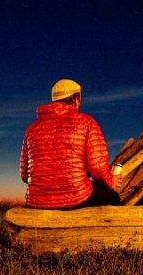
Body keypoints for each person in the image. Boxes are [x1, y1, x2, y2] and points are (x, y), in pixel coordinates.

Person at [20, 79, 121, 209]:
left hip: (36, 201)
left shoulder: (31, 128)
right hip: (76, 198)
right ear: (76, 98)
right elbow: (97, 168)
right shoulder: (87, 122)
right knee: (113, 197)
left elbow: (24, 175)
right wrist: (111, 180)